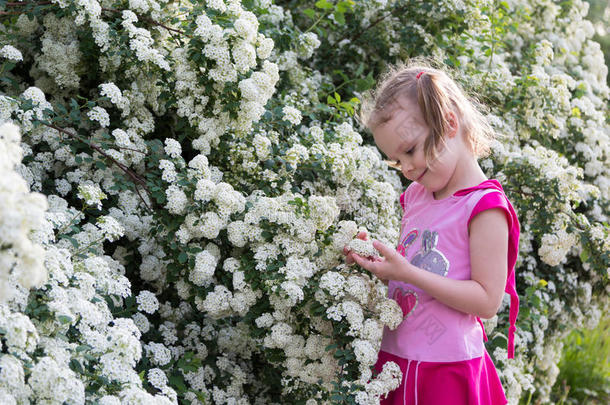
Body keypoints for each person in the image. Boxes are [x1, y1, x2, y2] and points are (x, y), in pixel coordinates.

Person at [343, 62, 520, 405]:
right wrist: (381, 266)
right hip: (395, 361)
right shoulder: (417, 196)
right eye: (396, 161)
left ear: (450, 123)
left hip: (446, 371)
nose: (407, 169)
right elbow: (411, 283)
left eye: (410, 150)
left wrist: (407, 272)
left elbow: (486, 301)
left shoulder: (484, 207)